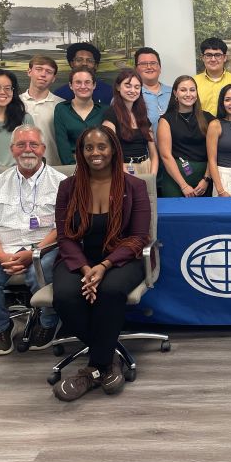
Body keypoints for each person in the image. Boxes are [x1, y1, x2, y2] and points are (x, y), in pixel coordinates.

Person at [51, 126, 150, 401]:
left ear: (113, 150)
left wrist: (104, 265)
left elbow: (139, 237)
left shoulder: (135, 186)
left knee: (110, 291)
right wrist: (85, 268)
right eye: (89, 147)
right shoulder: (67, 187)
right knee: (65, 296)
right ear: (81, 152)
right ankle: (109, 359)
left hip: (121, 258)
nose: (95, 153)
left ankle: (92, 369)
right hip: (78, 257)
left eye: (102, 146)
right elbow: (64, 236)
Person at [0, 125, 66, 355]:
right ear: (12, 150)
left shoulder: (61, 183)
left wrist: (34, 252)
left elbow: (63, 227)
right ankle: (1, 326)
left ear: (43, 149)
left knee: (42, 270)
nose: (27, 150)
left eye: (33, 144)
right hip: (3, 248)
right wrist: (1, 257)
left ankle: (48, 322)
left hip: (44, 247)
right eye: (21, 145)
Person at [157, 75, 214, 198]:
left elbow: (214, 153)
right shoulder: (166, 120)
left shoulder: (209, 118)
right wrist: (183, 185)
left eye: (192, 90)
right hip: (175, 180)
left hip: (204, 179)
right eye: (183, 90)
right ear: (175, 93)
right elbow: (165, 156)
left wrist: (206, 179)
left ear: (196, 93)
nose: (188, 94)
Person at [102, 68, 158, 176]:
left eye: (137, 87)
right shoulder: (110, 115)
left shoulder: (142, 116)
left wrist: (152, 176)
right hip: (122, 170)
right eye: (128, 86)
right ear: (118, 87)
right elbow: (109, 152)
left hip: (146, 167)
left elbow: (153, 153)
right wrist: (129, 178)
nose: (133, 90)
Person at [53, 67, 106, 165]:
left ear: (94, 85)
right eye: (78, 82)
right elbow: (62, 143)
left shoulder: (105, 110)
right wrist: (72, 168)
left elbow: (109, 143)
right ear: (70, 85)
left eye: (87, 82)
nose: (83, 86)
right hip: (72, 165)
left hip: (100, 163)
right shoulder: (61, 109)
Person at [21, 55, 64, 167]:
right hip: (21, 168)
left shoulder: (62, 105)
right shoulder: (15, 103)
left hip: (53, 167)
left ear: (53, 78)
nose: (43, 74)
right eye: (39, 69)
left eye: (49, 72)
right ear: (29, 72)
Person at [194, 37, 231, 117]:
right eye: (209, 55)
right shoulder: (193, 83)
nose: (213, 59)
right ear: (203, 58)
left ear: (225, 58)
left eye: (217, 55)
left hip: (230, 125)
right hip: (199, 125)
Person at [134, 47, 172, 136]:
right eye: (143, 64)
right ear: (136, 69)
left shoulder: (175, 93)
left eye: (153, 63)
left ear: (160, 67)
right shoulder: (130, 95)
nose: (149, 67)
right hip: (144, 145)